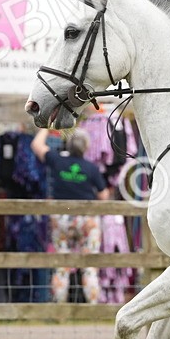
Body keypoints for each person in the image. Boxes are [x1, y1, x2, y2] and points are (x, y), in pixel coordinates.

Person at [32, 128, 110, 302]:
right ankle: (92, 306)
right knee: (89, 265)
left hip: (62, 218)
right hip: (87, 219)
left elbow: (36, 145)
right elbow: (104, 195)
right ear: (86, 147)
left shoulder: (57, 161)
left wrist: (46, 126)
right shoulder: (91, 168)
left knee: (62, 263)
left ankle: (60, 307)